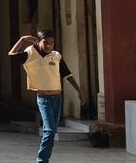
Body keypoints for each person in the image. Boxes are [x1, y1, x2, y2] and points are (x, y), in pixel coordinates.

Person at [10, 30, 85, 163]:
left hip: (57, 99)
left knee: (52, 131)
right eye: (45, 42)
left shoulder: (56, 56)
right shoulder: (30, 53)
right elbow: (12, 55)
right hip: (44, 99)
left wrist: (79, 90)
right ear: (39, 41)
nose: (48, 45)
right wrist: (22, 40)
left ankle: (45, 159)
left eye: (51, 43)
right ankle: (41, 160)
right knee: (50, 130)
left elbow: (67, 74)